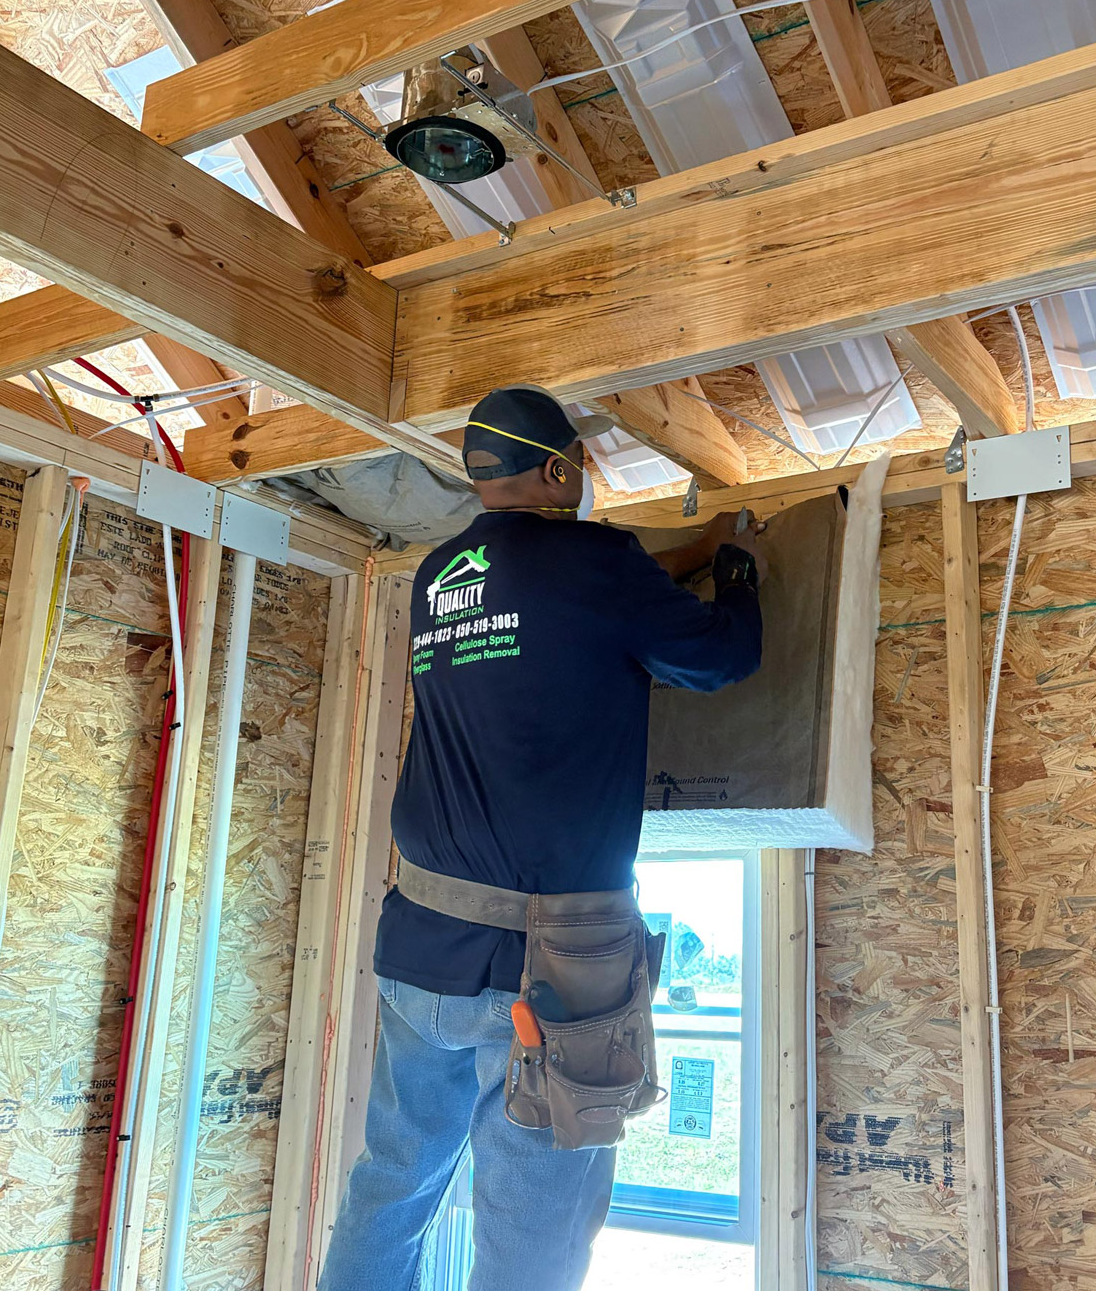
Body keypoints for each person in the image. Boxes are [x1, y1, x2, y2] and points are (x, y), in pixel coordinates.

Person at [319, 384, 764, 1291]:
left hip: (420, 952)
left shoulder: (437, 576)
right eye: (582, 466)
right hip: (546, 972)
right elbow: (719, 657)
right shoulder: (597, 567)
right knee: (534, 1226)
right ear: (561, 468)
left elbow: (548, 619)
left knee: (395, 1182)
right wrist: (740, 572)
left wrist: (646, 564)